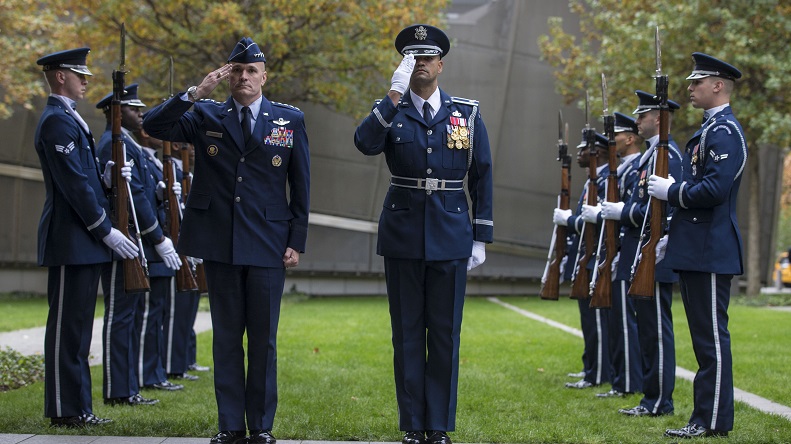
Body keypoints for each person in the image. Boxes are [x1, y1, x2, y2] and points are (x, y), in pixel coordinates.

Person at [143, 37, 310, 444]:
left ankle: (262, 428)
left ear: (264, 76)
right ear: (228, 75)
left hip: (269, 242)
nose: (243, 77)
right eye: (236, 70)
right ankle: (230, 426)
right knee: (226, 338)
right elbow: (153, 125)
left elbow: (301, 182)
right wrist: (193, 93)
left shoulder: (289, 120)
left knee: (264, 341)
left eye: (251, 70)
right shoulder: (204, 114)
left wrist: (297, 239)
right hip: (221, 241)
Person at [354, 24, 493, 444]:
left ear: (441, 64)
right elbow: (363, 142)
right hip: (403, 233)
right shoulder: (391, 109)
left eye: (428, 58)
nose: (422, 65)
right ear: (405, 65)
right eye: (413, 59)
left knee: (446, 333)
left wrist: (480, 235)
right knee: (408, 331)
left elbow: (482, 175)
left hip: (451, 232)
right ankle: (414, 425)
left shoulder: (465, 113)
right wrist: (391, 97)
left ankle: (439, 426)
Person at [34, 47, 138, 427]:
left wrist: (108, 178)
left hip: (83, 242)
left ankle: (78, 408)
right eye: (80, 74)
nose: (86, 81)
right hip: (71, 238)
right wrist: (106, 229)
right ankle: (65, 409)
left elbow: (85, 178)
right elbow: (73, 186)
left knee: (78, 331)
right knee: (66, 330)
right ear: (60, 75)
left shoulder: (69, 119)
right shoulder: (56, 122)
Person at [649, 53, 746, 439]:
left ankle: (711, 422)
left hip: (710, 248)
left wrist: (671, 191)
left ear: (718, 85)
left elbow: (716, 190)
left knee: (711, 343)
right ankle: (703, 417)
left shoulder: (724, 132)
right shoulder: (710, 130)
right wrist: (673, 230)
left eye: (696, 83)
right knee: (703, 340)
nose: (690, 89)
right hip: (696, 245)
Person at [96, 85, 184, 402]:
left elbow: (144, 196)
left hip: (136, 241)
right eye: (133, 109)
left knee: (131, 318)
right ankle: (119, 389)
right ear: (116, 112)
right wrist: (158, 239)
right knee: (121, 318)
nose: (140, 115)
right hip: (128, 241)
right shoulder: (113, 145)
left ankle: (128, 387)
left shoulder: (126, 145)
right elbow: (134, 199)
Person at [605, 91, 681, 416]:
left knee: (656, 330)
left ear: (659, 118)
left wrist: (623, 213)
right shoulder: (650, 157)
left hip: (657, 251)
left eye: (642, 115)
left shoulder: (670, 155)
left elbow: (666, 209)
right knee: (647, 329)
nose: (637, 122)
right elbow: (643, 205)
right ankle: (651, 398)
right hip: (643, 250)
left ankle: (659, 400)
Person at [554, 131, 611, 390]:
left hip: (596, 256)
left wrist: (569, 220)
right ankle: (591, 368)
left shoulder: (605, 179)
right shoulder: (592, 181)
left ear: (596, 153)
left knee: (596, 319)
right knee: (588, 320)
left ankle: (598, 373)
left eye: (582, 150)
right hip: (585, 255)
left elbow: (597, 222)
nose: (578, 155)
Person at [593, 111, 644, 398]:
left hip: (627, 250)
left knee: (626, 323)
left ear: (630, 138)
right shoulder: (623, 169)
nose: (610, 141)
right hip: (617, 251)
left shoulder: (634, 167)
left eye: (615, 136)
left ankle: (628, 383)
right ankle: (620, 379)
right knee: (618, 322)